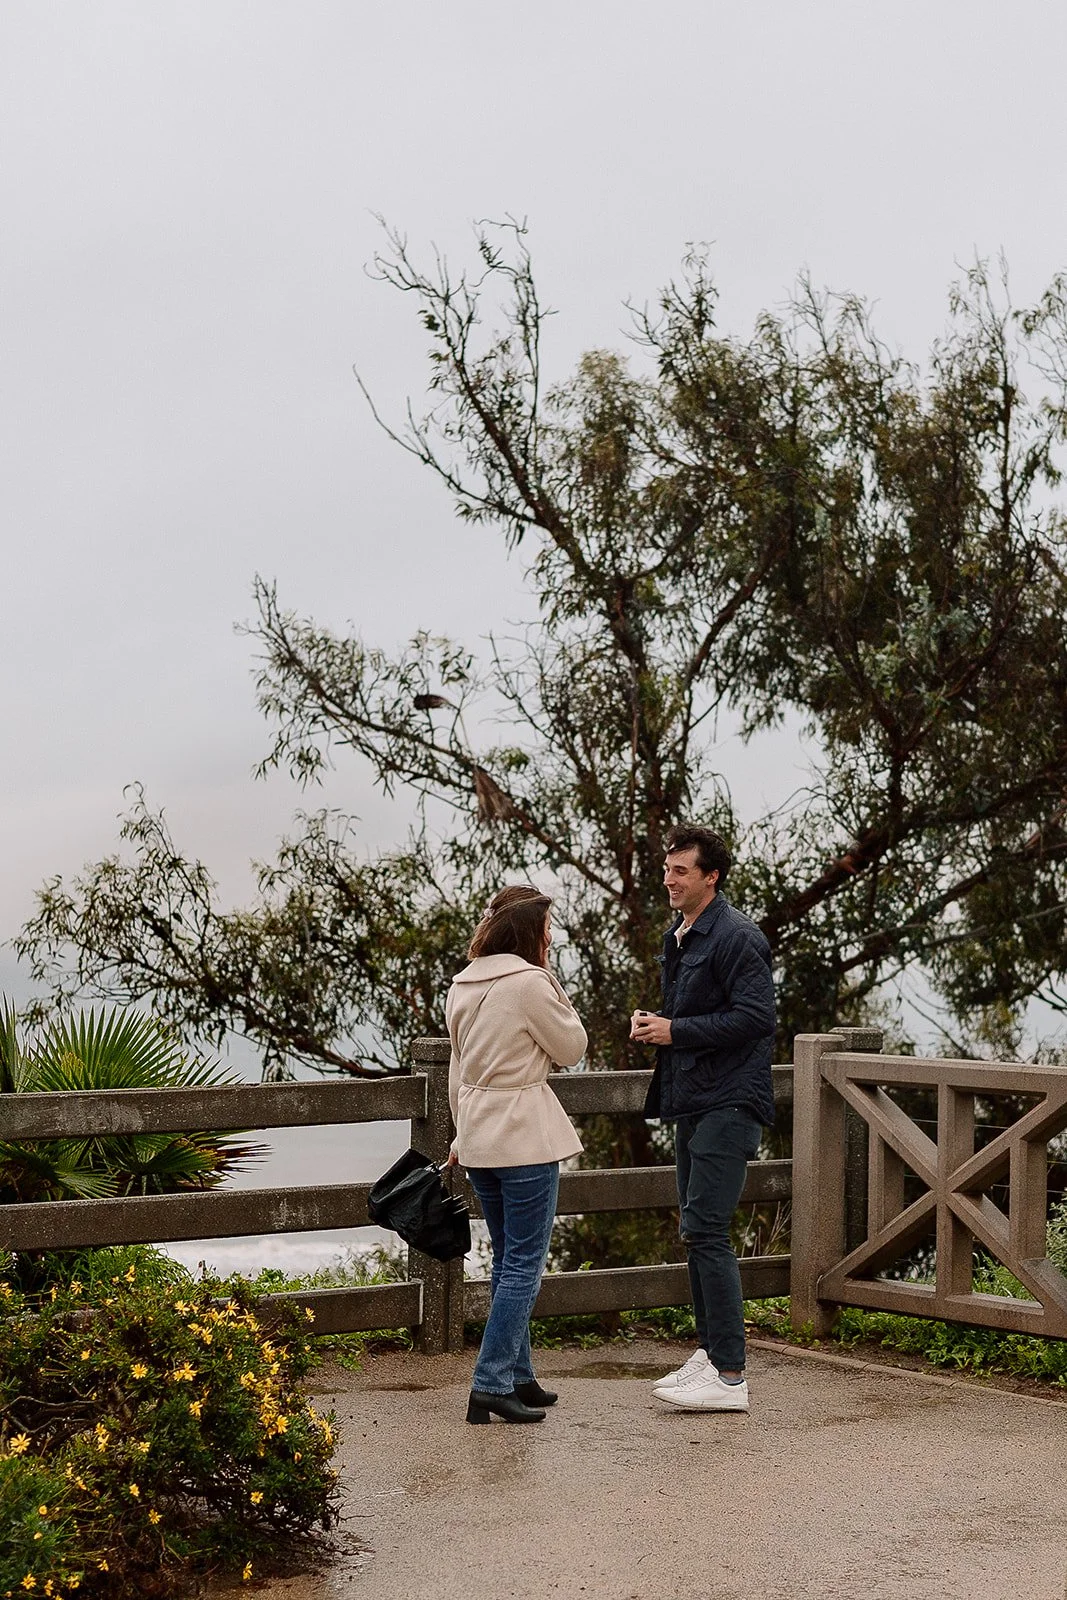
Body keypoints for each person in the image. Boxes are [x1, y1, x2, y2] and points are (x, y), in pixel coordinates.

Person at [631, 823, 776, 1413]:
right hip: (695, 1100)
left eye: (680, 870)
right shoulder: (684, 934)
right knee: (696, 1231)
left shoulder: (738, 937)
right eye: (666, 869)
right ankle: (712, 1355)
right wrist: (663, 1030)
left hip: (730, 1102)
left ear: (710, 877)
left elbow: (757, 1018)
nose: (668, 879)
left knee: (708, 1230)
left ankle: (731, 1376)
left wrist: (675, 1031)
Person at [446, 885, 587, 1424]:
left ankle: (519, 1376)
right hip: (523, 1132)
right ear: (531, 932)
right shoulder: (531, 984)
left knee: (508, 1258)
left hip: (479, 1133)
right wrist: (553, 984)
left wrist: (460, 1135)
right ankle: (489, 1382)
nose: (551, 937)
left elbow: (458, 1067)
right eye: (547, 929)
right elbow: (572, 1049)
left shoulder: (462, 983)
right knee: (525, 1263)